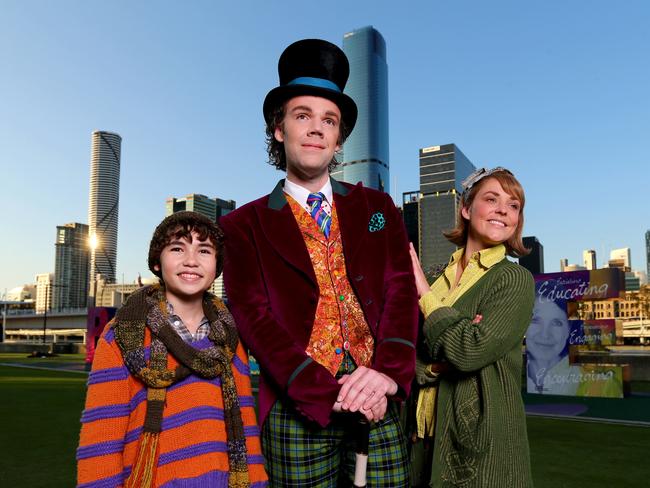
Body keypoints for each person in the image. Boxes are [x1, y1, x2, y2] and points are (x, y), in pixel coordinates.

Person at [221, 39, 418, 487]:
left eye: (328, 120)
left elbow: (400, 291)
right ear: (279, 129)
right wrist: (320, 390)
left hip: (378, 396)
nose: (316, 129)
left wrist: (386, 375)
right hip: (299, 405)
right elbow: (253, 318)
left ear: (338, 139)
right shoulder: (242, 224)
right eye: (302, 115)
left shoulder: (378, 205)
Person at [77, 212, 267, 487]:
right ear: (157, 261)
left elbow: (246, 423)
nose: (191, 260)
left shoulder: (230, 337)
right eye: (177, 248)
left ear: (217, 266)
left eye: (204, 250)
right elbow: (100, 440)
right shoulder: (122, 335)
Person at [408, 167, 535, 487]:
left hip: (482, 439)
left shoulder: (513, 279)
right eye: (491, 199)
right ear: (466, 208)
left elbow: (469, 351)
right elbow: (407, 355)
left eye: (514, 205)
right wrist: (438, 362)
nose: (504, 210)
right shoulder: (440, 280)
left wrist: (424, 295)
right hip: (422, 437)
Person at [526, 297, 576, 395]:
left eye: (556, 323)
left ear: (568, 330)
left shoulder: (591, 383)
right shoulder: (508, 373)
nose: (545, 335)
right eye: (535, 320)